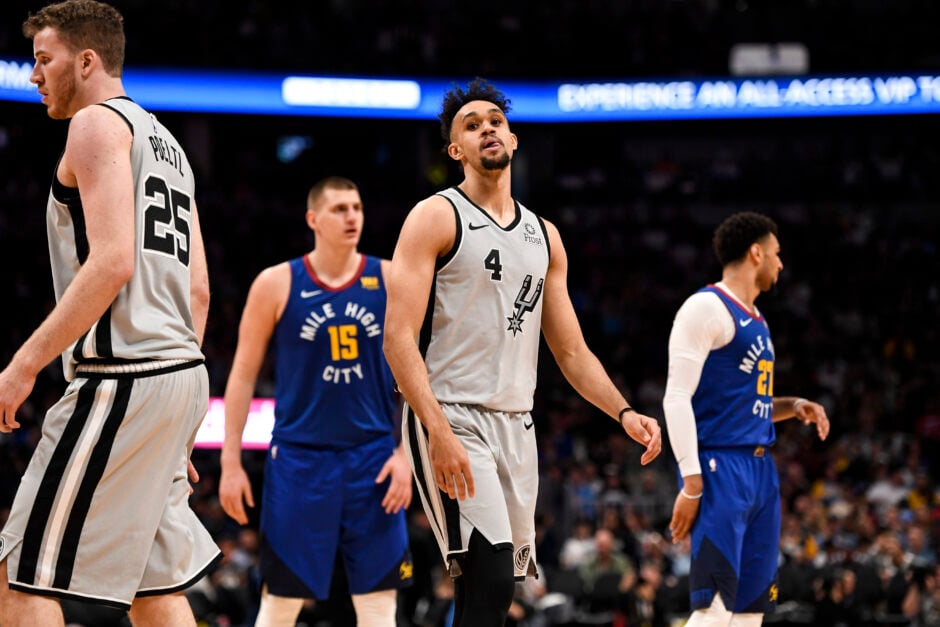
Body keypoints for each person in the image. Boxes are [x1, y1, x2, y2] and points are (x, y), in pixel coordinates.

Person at [382, 77, 662, 626]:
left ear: (513, 138)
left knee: (494, 592)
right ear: (455, 150)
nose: (487, 127)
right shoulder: (435, 216)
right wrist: (436, 430)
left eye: (495, 121)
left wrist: (624, 412)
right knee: (486, 581)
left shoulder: (544, 235)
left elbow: (572, 351)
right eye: (472, 124)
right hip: (452, 416)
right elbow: (397, 338)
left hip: (517, 425)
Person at [0, 1, 219, 625]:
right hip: (179, 369)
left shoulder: (96, 125)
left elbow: (113, 261)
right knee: (154, 589)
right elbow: (198, 289)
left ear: (87, 60)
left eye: (45, 59)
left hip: (122, 376)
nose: (35, 74)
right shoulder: (169, 144)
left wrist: (22, 367)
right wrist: (177, 411)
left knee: (22, 577)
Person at [218, 176, 414, 627]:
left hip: (374, 460)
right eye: (340, 209)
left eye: (357, 208)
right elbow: (242, 377)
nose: (351, 217)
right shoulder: (275, 282)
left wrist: (406, 454)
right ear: (313, 219)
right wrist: (230, 463)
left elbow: (417, 373)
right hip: (300, 461)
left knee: (380, 603)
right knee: (281, 601)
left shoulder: (388, 277)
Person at [662, 211, 831, 626]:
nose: (781, 263)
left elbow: (742, 402)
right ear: (756, 253)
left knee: (750, 615)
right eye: (776, 254)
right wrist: (692, 481)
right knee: (715, 612)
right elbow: (676, 397)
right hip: (721, 469)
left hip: (760, 471)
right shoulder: (706, 307)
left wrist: (792, 406)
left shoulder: (758, 319)